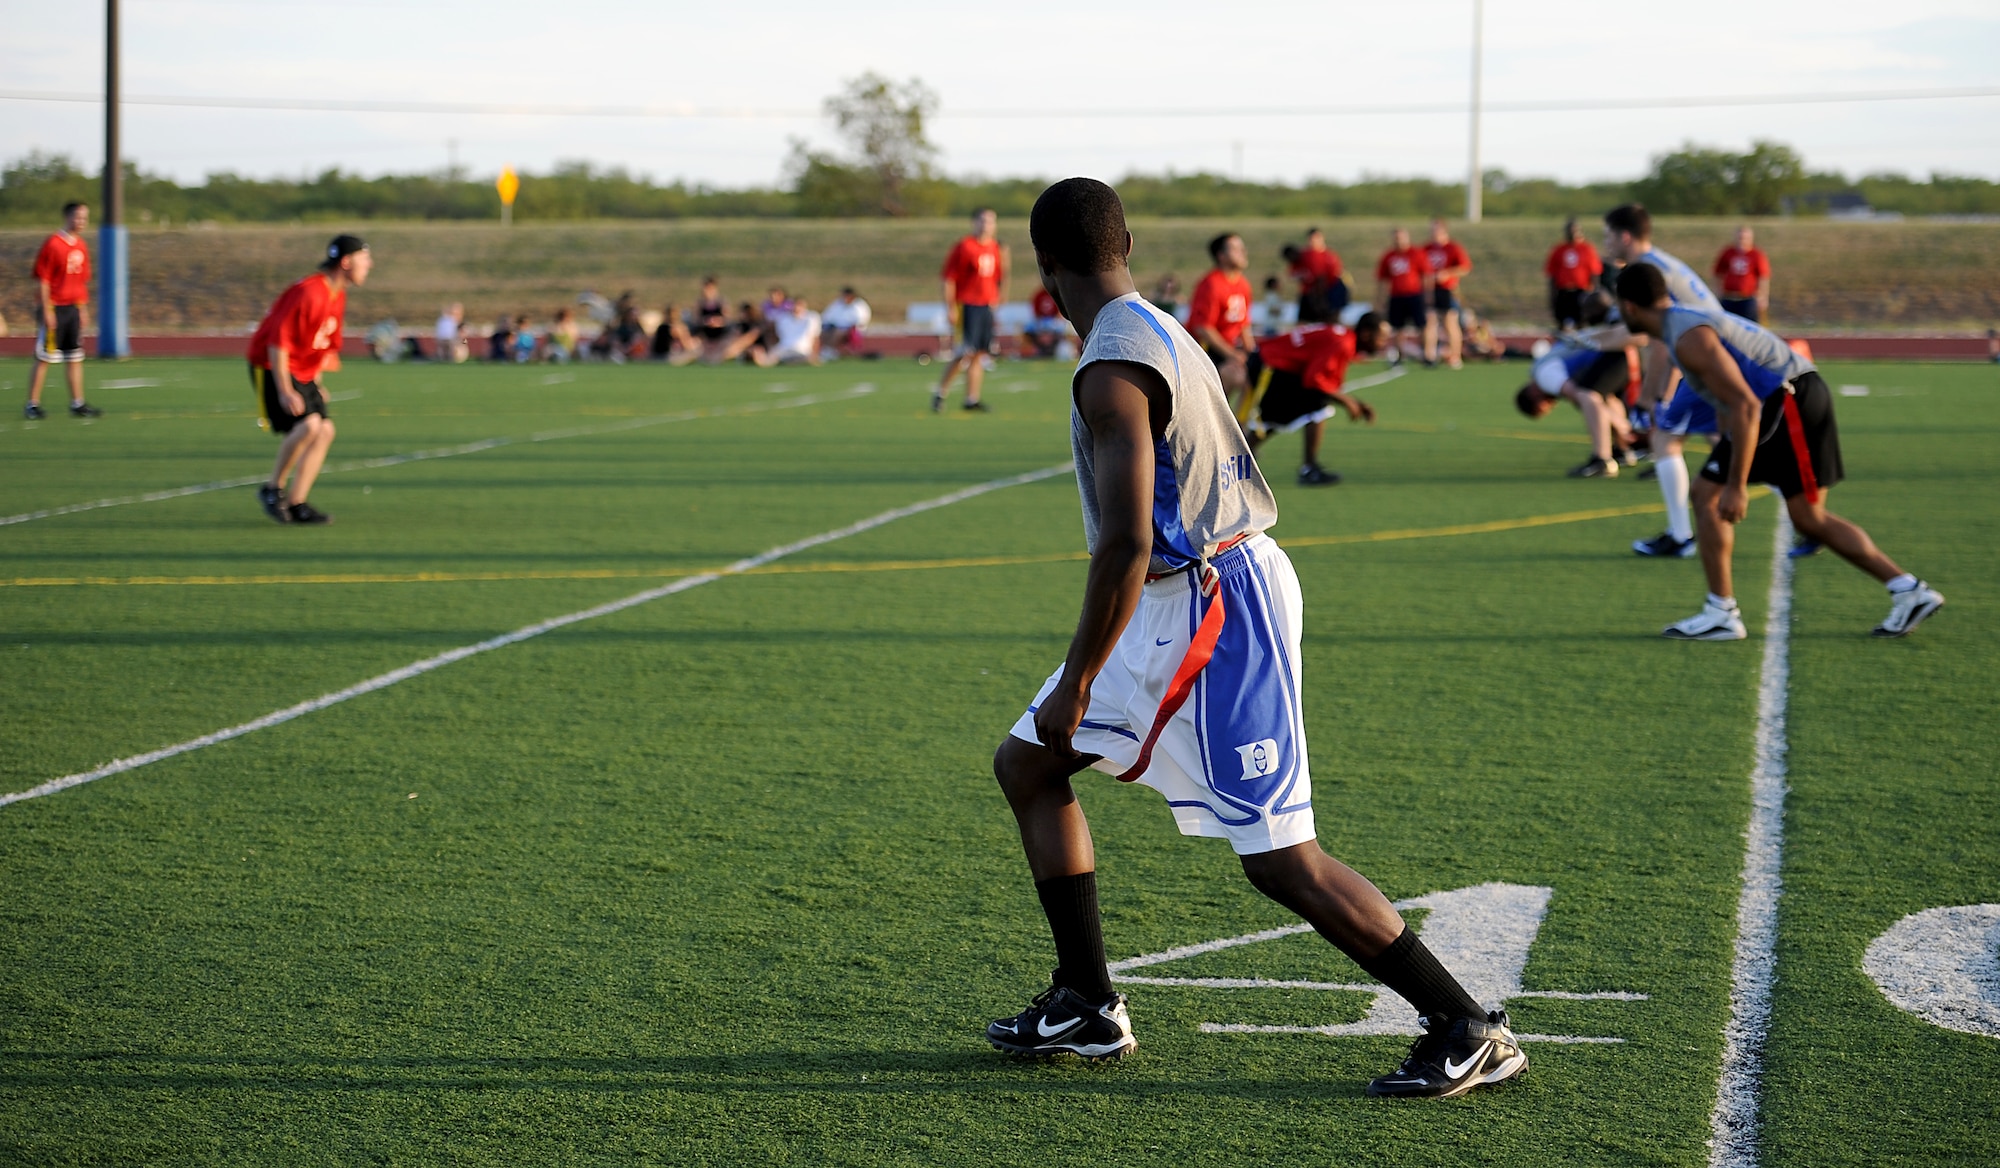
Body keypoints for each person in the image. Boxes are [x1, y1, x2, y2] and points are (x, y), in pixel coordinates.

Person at [984, 176, 1526, 1099]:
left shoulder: (1113, 363)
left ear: (1044, 268)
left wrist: (1079, 678)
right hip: (1178, 594)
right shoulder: (1149, 322)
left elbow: (1124, 538)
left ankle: (1465, 1024)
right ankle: (1086, 1000)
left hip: (1213, 604)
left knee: (1279, 857)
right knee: (1027, 765)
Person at [1615, 263, 1944, 639]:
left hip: (1786, 399)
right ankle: (1907, 590)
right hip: (1792, 395)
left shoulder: (1688, 336)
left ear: (1629, 306)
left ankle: (1721, 612)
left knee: (1708, 495)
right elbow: (1730, 402)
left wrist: (1736, 484)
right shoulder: (1682, 326)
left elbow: (1745, 405)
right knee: (1807, 517)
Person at [1603, 203, 1725, 560]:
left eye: (1608, 235)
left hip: (1711, 356)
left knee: (1666, 438)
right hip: (1712, 352)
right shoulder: (1659, 262)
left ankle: (1681, 535)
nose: (1606, 243)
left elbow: (1662, 340)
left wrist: (1647, 400)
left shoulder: (1647, 270)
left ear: (1625, 236)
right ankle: (1807, 521)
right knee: (1727, 439)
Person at [248, 234, 370, 526]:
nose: (370, 264)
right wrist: (285, 390)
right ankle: (272, 489)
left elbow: (322, 346)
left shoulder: (337, 294)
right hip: (272, 365)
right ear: (345, 262)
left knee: (325, 430)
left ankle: (297, 502)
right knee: (309, 425)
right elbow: (278, 342)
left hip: (302, 369)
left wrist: (316, 383)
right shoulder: (309, 291)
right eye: (365, 258)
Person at [1237, 315, 1389, 486]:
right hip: (1271, 365)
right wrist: (1347, 402)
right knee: (1282, 416)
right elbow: (1315, 380)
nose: (1384, 343)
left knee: (1283, 416)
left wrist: (1355, 402)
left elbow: (1325, 383)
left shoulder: (1344, 338)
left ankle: (1307, 468)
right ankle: (1232, 462)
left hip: (1278, 365)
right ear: (1367, 334)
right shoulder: (1343, 343)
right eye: (1381, 337)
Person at [1514, 294, 1641, 477]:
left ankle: (1602, 459)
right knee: (1604, 397)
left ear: (1533, 395)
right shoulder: (1544, 369)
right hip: (1617, 351)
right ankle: (1622, 451)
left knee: (1587, 395)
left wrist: (1621, 424)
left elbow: (1577, 395)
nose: (1551, 406)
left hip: (1611, 351)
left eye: (1543, 408)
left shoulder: (1544, 375)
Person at [25, 201, 101, 420]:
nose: (81, 222)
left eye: (85, 218)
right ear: (67, 217)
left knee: (75, 357)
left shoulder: (81, 245)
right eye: (77, 217)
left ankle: (77, 403)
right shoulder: (53, 244)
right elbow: (44, 279)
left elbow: (81, 281)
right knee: (45, 357)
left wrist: (82, 309)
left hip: (73, 309)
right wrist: (47, 309)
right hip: (55, 308)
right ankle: (32, 404)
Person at [934, 208, 1008, 413]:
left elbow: (997, 278)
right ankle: (940, 392)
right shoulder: (964, 247)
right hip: (967, 304)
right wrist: (950, 307)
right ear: (974, 223)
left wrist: (996, 300)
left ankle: (971, 399)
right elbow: (949, 279)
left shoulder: (994, 247)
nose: (987, 225)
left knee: (979, 353)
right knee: (964, 352)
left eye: (991, 221)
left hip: (985, 305)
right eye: (982, 221)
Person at [1185, 232, 1254, 388]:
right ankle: (1214, 410)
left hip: (1226, 349)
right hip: (1205, 348)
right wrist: (1233, 355)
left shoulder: (1243, 285)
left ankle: (1239, 413)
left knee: (1255, 374)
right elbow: (1203, 328)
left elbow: (1243, 323)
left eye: (1242, 248)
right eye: (1236, 249)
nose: (1243, 252)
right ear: (1221, 256)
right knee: (1236, 376)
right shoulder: (1211, 285)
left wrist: (1251, 352)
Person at [1374, 227, 1432, 365]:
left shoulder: (1416, 253)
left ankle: (1426, 355)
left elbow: (1426, 275)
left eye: (1401, 237)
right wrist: (1380, 299)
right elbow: (1383, 279)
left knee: (1421, 325)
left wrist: (1428, 295)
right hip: (1396, 296)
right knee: (1397, 327)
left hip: (1414, 294)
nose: (1399, 241)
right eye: (1396, 238)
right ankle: (1400, 356)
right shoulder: (1389, 256)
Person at [1422, 219, 1472, 368]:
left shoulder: (1453, 248)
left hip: (1447, 289)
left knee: (1450, 322)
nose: (1434, 233)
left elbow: (1465, 267)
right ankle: (1429, 356)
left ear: (1444, 231)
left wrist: (1448, 273)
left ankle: (1455, 356)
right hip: (1430, 289)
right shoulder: (1426, 248)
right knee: (1429, 321)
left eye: (1436, 230)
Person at [1544, 218, 1602, 331]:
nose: (1573, 234)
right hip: (1564, 292)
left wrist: (1594, 293)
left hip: (1581, 292)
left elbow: (1594, 272)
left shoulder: (1587, 249)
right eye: (1570, 231)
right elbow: (1552, 275)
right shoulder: (1558, 250)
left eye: (1575, 230)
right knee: (1562, 324)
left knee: (1582, 324)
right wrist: (1552, 296)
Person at [1713, 226, 1772, 324]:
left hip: (1747, 298)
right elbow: (1718, 273)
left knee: (1750, 326)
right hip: (1729, 297)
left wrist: (1763, 296)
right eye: (1740, 237)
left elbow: (1763, 276)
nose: (1742, 240)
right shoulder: (1728, 252)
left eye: (1745, 238)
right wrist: (1717, 291)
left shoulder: (1756, 254)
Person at [1288, 227, 1347, 323]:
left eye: (1316, 238)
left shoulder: (1330, 256)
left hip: (1326, 294)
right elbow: (1293, 274)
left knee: (1328, 322)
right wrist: (1304, 275)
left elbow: (1338, 273)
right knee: (1304, 323)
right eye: (1311, 239)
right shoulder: (1303, 255)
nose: (1314, 242)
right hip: (1308, 294)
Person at [755, 298, 822, 366]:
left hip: (803, 350)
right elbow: (777, 336)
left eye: (799, 305)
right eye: (795, 305)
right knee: (771, 358)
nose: (797, 308)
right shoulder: (783, 318)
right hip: (784, 348)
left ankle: (792, 361)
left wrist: (815, 353)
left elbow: (815, 337)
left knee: (807, 358)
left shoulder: (812, 317)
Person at [821, 287, 872, 356]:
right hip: (835, 327)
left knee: (837, 332)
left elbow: (861, 322)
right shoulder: (837, 304)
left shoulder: (860, 306)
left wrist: (847, 328)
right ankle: (827, 350)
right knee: (824, 332)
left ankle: (830, 351)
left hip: (853, 330)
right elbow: (827, 316)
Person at [1024, 286, 1066, 358]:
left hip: (1053, 320)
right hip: (1041, 321)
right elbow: (1036, 313)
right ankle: (1034, 349)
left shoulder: (1056, 295)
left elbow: (1060, 313)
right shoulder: (1038, 295)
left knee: (1062, 328)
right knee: (1028, 328)